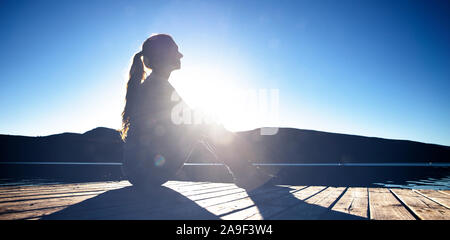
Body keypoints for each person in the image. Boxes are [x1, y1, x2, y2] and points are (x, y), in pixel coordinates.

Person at [121, 34, 273, 191]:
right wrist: (232, 140)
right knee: (202, 122)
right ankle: (246, 174)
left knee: (200, 121)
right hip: (147, 172)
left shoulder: (154, 84)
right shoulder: (157, 86)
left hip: (139, 172)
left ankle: (245, 172)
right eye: (176, 50)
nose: (181, 55)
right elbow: (193, 120)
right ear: (163, 55)